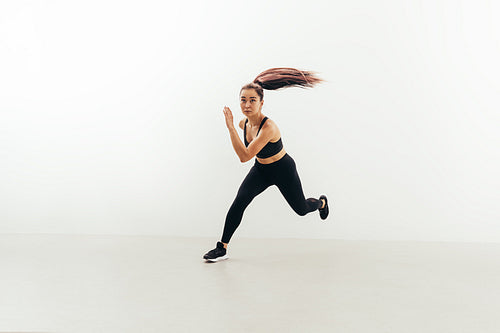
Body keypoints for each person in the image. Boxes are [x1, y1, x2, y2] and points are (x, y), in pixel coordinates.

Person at [203, 68, 330, 262]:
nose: (247, 104)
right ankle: (222, 247)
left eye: (252, 100)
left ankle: (321, 203)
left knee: (302, 209)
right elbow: (248, 156)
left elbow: (244, 156)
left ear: (262, 103)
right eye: (243, 100)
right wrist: (234, 128)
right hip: (261, 170)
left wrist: (229, 128)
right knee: (239, 202)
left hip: (283, 170)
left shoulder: (269, 128)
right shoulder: (243, 124)